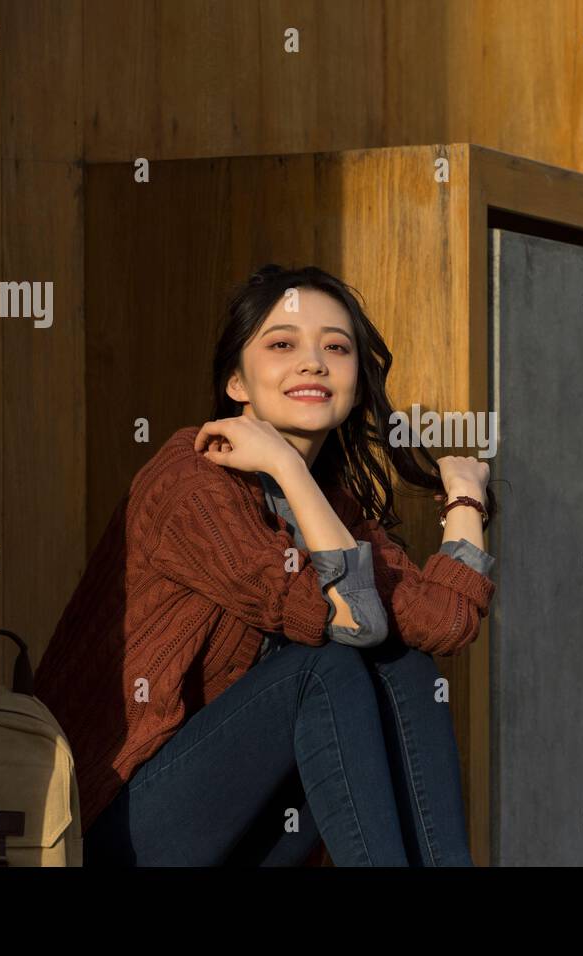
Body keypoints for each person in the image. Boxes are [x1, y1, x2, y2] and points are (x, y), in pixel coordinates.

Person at [33, 263, 499, 866]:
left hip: (239, 828)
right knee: (326, 665)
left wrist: (464, 496)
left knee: (404, 665)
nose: (313, 362)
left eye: (336, 347)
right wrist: (286, 464)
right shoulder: (192, 484)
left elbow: (445, 621)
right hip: (119, 828)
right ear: (236, 382)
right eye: (282, 344)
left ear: (356, 380)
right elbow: (357, 618)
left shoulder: (331, 507)